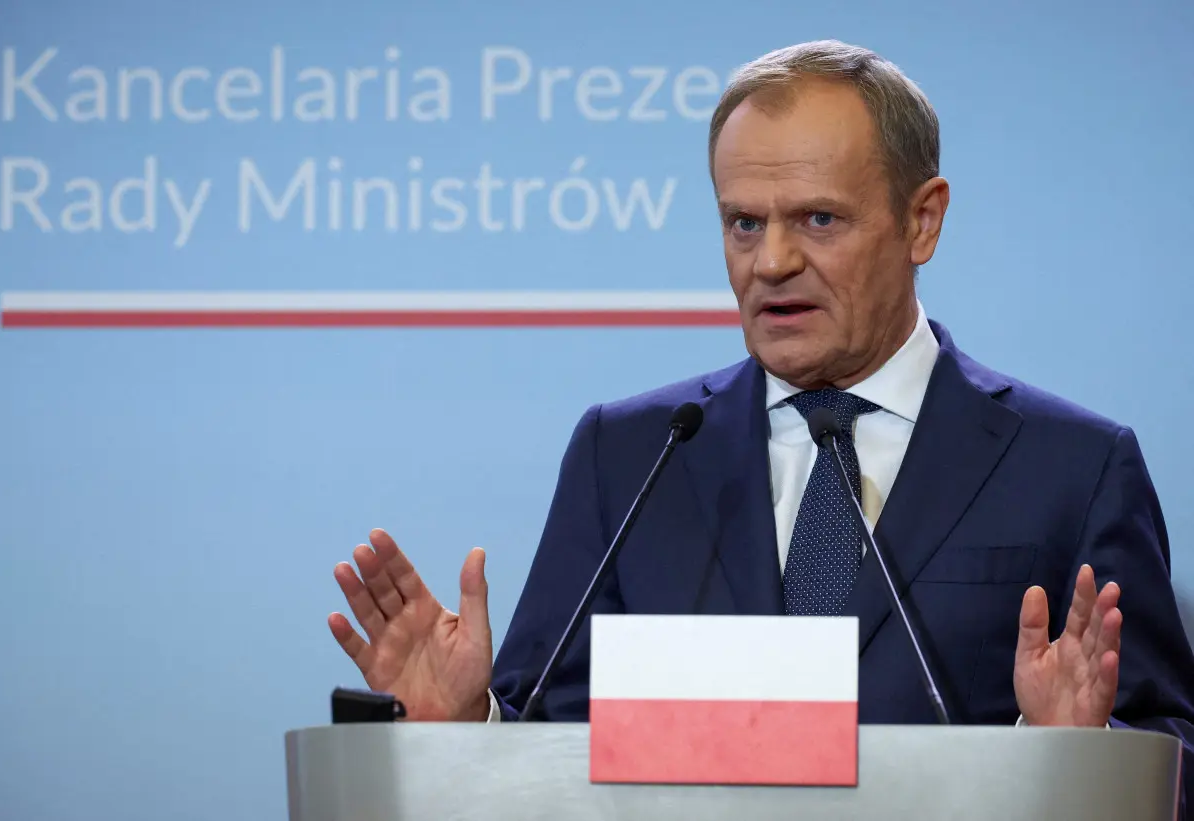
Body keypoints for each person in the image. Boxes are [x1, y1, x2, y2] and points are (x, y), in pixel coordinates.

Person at [327, 39, 1194, 809]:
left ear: (922, 219)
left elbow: (1170, 758)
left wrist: (1076, 758)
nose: (771, 262)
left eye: (819, 218)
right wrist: (463, 724)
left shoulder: (1073, 467)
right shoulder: (629, 455)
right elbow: (548, 740)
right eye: (744, 222)